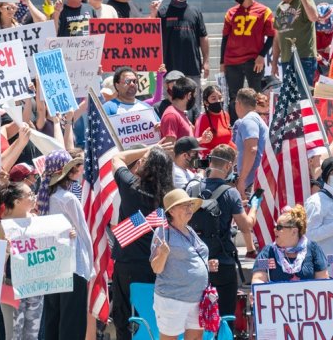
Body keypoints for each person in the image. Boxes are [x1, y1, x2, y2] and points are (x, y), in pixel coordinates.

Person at [187, 144, 259, 318]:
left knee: (197, 320)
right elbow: (246, 226)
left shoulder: (192, 188)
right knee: (225, 317)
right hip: (222, 263)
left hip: (195, 262)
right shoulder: (231, 193)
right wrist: (255, 205)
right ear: (228, 166)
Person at [111, 143, 174, 340]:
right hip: (158, 267)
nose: (140, 162)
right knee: (151, 320)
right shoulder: (169, 199)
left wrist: (150, 147)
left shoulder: (131, 187)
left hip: (127, 265)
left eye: (144, 160)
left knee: (125, 320)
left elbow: (117, 158)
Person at [35, 150, 93, 339]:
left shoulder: (43, 198)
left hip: (52, 267)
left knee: (53, 319)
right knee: (72, 323)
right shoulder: (67, 198)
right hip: (73, 267)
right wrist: (90, 268)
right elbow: (84, 234)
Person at [150, 188, 209, 339]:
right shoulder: (163, 232)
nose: (189, 209)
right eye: (184, 206)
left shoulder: (189, 230)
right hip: (172, 300)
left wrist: (207, 266)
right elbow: (156, 268)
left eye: (190, 205)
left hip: (197, 298)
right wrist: (163, 253)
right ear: (172, 211)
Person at [221, 0, 276, 122]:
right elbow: (225, 38)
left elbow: (271, 36)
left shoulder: (264, 11)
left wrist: (261, 56)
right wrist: (222, 62)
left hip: (253, 60)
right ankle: (235, 126)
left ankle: (257, 125)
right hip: (232, 61)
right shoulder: (230, 12)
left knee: (256, 95)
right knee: (234, 97)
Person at [0, 182, 43, 340]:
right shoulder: (1, 226)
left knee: (32, 334)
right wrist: (6, 250)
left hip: (35, 284)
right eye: (29, 195)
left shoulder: (37, 220)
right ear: (16, 201)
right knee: (13, 334)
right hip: (11, 286)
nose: (34, 197)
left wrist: (67, 235)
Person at [152, 0, 209, 108]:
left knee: (194, 106)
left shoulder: (195, 11)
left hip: (192, 67)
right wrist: (153, 13)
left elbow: (203, 37)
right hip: (170, 68)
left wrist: (206, 61)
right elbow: (150, 33)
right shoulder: (162, 11)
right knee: (170, 105)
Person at [251, 205, 329, 283]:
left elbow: (322, 280)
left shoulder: (313, 249)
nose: (275, 230)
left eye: (279, 227)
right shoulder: (268, 251)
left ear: (294, 231)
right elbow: (259, 278)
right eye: (275, 227)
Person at [270, 0, 319, 86]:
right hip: (286, 59)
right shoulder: (280, 7)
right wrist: (274, 62)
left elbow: (314, 17)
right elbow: (277, 37)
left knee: (305, 97)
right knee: (291, 99)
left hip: (304, 58)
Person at [232, 88, 268, 202]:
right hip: (257, 178)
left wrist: (242, 179)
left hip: (253, 180)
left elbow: (252, 149)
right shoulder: (254, 119)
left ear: (238, 103)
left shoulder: (249, 120)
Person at [160, 77, 211, 143]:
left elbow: (184, 144)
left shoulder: (180, 113)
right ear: (189, 95)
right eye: (194, 95)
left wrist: (201, 139)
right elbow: (170, 148)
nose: (195, 99)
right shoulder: (171, 115)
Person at [194, 85, 234, 157]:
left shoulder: (226, 115)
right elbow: (198, 146)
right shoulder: (203, 118)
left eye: (220, 97)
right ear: (206, 103)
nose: (218, 101)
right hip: (210, 162)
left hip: (227, 160)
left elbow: (228, 141)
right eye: (213, 98)